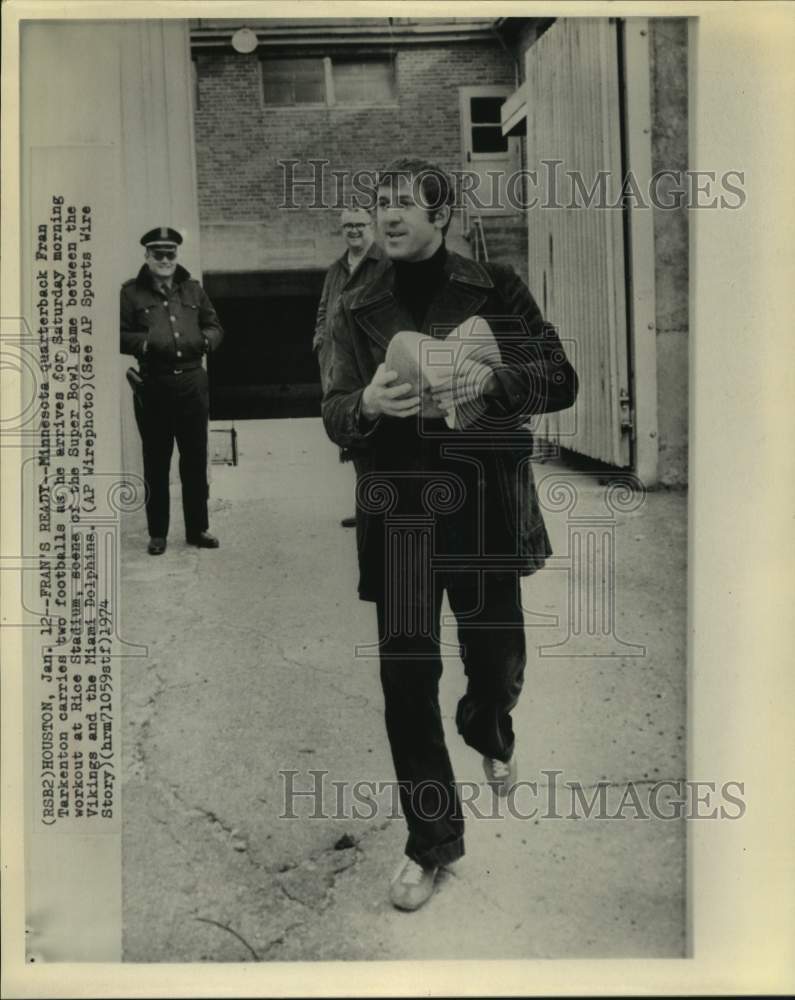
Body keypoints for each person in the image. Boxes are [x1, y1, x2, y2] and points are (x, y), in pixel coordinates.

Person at [322, 158, 578, 911]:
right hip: (398, 508)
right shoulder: (353, 300)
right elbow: (332, 407)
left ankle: (487, 727)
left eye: (405, 203)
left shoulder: (494, 287)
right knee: (405, 680)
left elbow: (558, 378)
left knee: (495, 665)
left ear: (441, 216)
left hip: (481, 503)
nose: (389, 214)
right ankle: (429, 844)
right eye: (380, 201)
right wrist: (365, 401)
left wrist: (491, 382)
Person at [120, 227, 224, 555]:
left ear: (176, 256)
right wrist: (147, 342)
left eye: (170, 254)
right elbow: (117, 334)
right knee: (156, 461)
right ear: (146, 257)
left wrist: (206, 340)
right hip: (155, 386)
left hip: (193, 384)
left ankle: (197, 529)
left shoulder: (193, 289)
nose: (165, 260)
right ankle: (158, 534)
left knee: (194, 460)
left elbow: (215, 325)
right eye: (158, 254)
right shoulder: (131, 293)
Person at [313, 206, 384, 527]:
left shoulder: (385, 264)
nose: (353, 231)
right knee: (351, 435)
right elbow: (323, 308)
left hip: (368, 364)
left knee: (373, 435)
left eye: (359, 225)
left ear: (373, 226)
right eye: (347, 227)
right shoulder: (336, 269)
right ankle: (367, 506)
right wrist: (319, 340)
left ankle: (378, 506)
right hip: (337, 362)